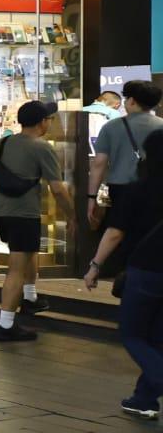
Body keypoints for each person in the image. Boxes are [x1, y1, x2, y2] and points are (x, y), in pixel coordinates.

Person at [0, 100, 74, 342]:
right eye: (49, 119)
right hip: (23, 213)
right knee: (15, 268)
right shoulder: (41, 147)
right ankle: (5, 325)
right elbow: (57, 188)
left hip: (1, 212)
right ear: (42, 122)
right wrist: (72, 215)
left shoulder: (1, 143)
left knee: (27, 253)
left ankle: (30, 298)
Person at [91, 128, 163, 419]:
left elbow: (115, 233)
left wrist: (95, 265)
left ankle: (153, 385)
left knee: (132, 334)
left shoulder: (137, 190)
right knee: (158, 337)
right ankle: (144, 398)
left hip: (145, 270)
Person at [86, 79, 163, 297]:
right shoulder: (161, 126)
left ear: (131, 101)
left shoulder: (112, 127)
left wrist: (91, 197)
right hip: (157, 190)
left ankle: (128, 282)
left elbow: (99, 164)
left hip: (121, 189)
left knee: (122, 236)